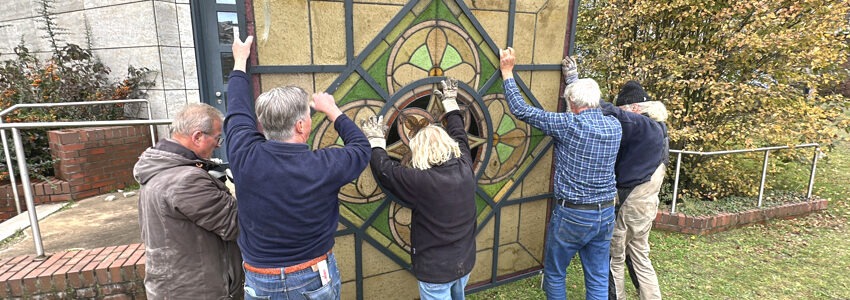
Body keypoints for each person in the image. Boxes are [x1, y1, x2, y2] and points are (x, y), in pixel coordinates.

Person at [225, 28, 371, 299]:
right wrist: (333, 110)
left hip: (261, 280)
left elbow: (236, 109)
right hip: (313, 276)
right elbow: (362, 148)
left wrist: (239, 62)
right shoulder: (324, 165)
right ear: (302, 125)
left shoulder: (244, 154)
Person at [499, 47, 622, 300]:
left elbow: (521, 110)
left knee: (555, 273)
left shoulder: (568, 124)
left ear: (572, 105)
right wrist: (574, 79)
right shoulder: (614, 126)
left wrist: (507, 72)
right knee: (598, 276)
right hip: (606, 213)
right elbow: (582, 108)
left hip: (573, 215)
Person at [361, 78, 477, 300]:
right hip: (465, 262)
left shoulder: (421, 182)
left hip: (436, 271)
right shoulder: (464, 164)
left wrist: (376, 141)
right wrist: (451, 103)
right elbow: (459, 133)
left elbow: (386, 171)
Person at [134, 103, 242, 299]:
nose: (218, 145)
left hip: (174, 286)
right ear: (198, 136)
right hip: (197, 290)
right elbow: (236, 224)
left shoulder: (159, 167)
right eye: (217, 138)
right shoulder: (186, 180)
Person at [599, 80, 669, 300]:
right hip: (646, 206)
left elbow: (611, 112)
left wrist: (576, 84)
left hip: (631, 205)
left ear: (636, 108)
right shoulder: (658, 127)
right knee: (639, 255)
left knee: (614, 257)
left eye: (623, 111)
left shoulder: (643, 124)